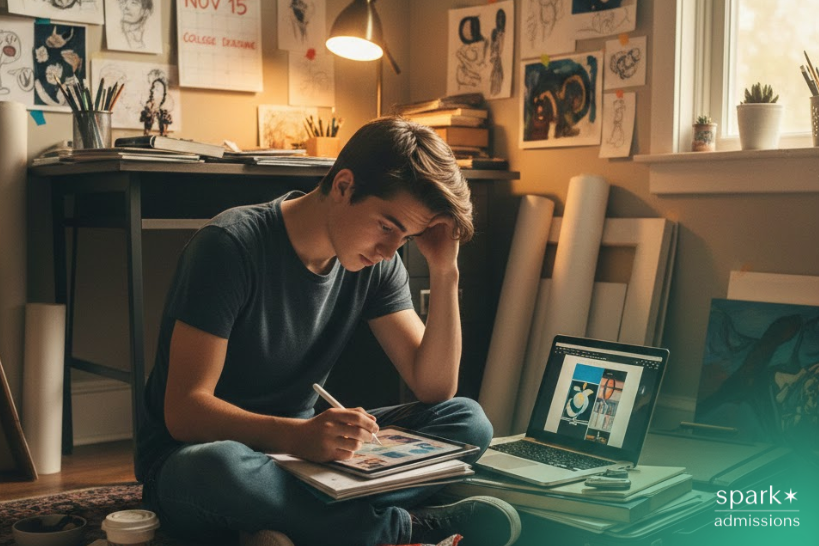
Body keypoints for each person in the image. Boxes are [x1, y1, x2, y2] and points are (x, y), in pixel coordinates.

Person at [135, 117, 520, 546]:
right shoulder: (229, 246)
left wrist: (445, 270)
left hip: (305, 459)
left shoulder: (378, 264)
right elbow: (184, 413)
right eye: (388, 226)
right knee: (217, 468)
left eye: (407, 238)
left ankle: (290, 524)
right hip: (198, 460)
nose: (390, 251)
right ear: (343, 186)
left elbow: (434, 388)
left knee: (468, 421)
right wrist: (298, 437)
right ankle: (400, 529)